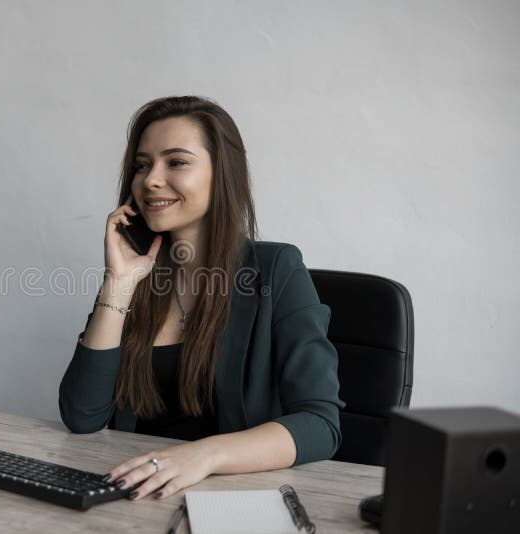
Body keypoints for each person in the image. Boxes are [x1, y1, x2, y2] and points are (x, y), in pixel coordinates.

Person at [59, 95, 343, 502]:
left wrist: (199, 457)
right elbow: (82, 417)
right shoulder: (140, 273)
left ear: (220, 173)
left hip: (232, 500)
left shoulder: (276, 268)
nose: (151, 180)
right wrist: (118, 283)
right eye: (142, 165)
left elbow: (320, 424)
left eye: (176, 162)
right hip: (136, 495)